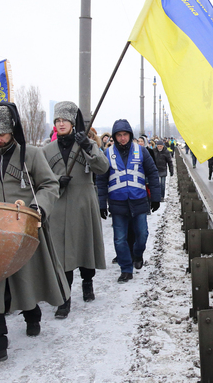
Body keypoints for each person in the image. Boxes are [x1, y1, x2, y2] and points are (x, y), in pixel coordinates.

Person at [0, 102, 69, 370]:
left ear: (11, 130)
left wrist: (38, 208)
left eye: (2, 134)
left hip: (24, 231)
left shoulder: (31, 155)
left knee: (25, 281)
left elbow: (49, 184)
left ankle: (32, 313)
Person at [42, 101, 109, 319]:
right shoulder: (46, 150)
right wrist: (55, 181)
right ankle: (64, 298)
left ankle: (87, 281)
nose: (61, 124)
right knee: (62, 254)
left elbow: (102, 168)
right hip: (59, 207)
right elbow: (39, 179)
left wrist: (90, 146)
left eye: (65, 120)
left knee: (85, 247)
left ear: (73, 123)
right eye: (57, 121)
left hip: (83, 204)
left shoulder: (87, 145)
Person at [97, 119, 161, 283]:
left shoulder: (141, 151)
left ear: (130, 135)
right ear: (115, 136)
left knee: (142, 234)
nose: (123, 138)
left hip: (139, 201)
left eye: (125, 134)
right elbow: (101, 180)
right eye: (119, 135)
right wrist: (101, 204)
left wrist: (155, 197)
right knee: (119, 239)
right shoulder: (107, 154)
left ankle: (137, 254)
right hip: (117, 203)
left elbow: (153, 173)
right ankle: (126, 269)